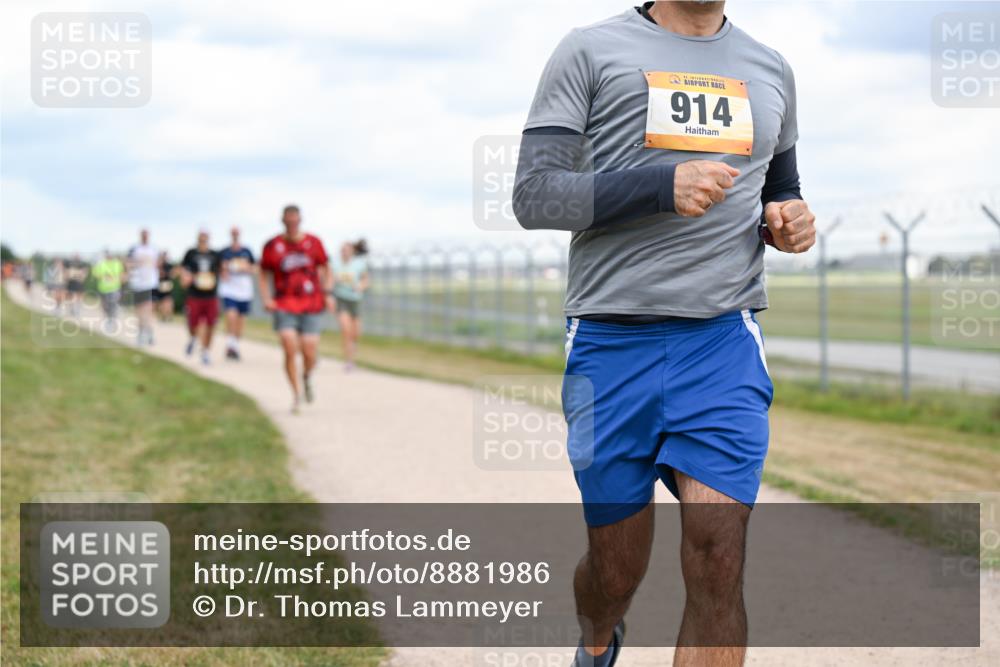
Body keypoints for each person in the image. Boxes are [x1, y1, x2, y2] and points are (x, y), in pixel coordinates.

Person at [513, 2, 816, 666]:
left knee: (717, 549)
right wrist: (659, 184)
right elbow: (534, 195)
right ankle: (597, 640)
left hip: (720, 342)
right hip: (610, 342)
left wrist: (788, 220)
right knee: (615, 570)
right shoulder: (589, 50)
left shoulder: (772, 69)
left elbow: (780, 189)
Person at [259, 205, 332, 413]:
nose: (292, 224)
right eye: (288, 221)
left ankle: (307, 376)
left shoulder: (314, 243)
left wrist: (328, 292)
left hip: (311, 302)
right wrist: (266, 298)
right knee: (289, 347)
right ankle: (296, 395)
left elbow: (326, 267)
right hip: (284, 302)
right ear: (283, 221)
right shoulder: (273, 245)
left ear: (300, 220)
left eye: (295, 220)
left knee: (309, 351)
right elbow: (263, 273)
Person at [180, 230, 222, 365]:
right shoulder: (191, 253)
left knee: (210, 324)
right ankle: (193, 338)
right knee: (193, 323)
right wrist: (186, 278)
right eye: (201, 238)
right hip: (194, 294)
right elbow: (184, 270)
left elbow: (221, 270)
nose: (203, 240)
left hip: (210, 295)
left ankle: (205, 351)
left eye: (205, 238)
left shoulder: (215, 255)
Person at [218, 226, 257, 361]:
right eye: (233, 232)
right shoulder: (224, 252)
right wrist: (223, 271)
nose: (235, 234)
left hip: (244, 290)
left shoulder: (247, 251)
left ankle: (235, 345)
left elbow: (255, 268)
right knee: (231, 316)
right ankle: (230, 345)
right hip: (229, 289)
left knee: (240, 321)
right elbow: (218, 268)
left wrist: (246, 268)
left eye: (237, 232)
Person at [331, 239, 370, 371]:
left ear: (352, 251)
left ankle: (353, 350)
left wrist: (360, 286)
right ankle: (349, 361)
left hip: (355, 300)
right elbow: (328, 279)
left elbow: (365, 280)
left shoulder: (359, 264)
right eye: (343, 250)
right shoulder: (334, 264)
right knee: (346, 330)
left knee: (356, 333)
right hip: (341, 299)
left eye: (348, 250)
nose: (345, 252)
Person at [126, 229, 160, 346]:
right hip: (137, 284)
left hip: (150, 283)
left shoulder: (153, 249)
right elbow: (128, 263)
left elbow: (157, 264)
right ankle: (143, 332)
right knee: (140, 311)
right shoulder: (134, 249)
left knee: (148, 309)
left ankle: (147, 332)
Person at [91, 250, 125, 332]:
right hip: (103, 289)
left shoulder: (117, 263)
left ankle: (111, 321)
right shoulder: (101, 264)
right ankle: (108, 318)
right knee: (105, 306)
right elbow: (95, 274)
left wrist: (119, 280)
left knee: (112, 305)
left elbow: (122, 275)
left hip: (114, 288)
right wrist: (104, 276)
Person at [154, 251, 177, 321]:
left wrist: (168, 274)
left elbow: (173, 274)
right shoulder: (158, 265)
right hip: (160, 285)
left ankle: (168, 315)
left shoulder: (169, 266)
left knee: (168, 301)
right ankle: (163, 315)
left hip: (167, 285)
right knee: (161, 302)